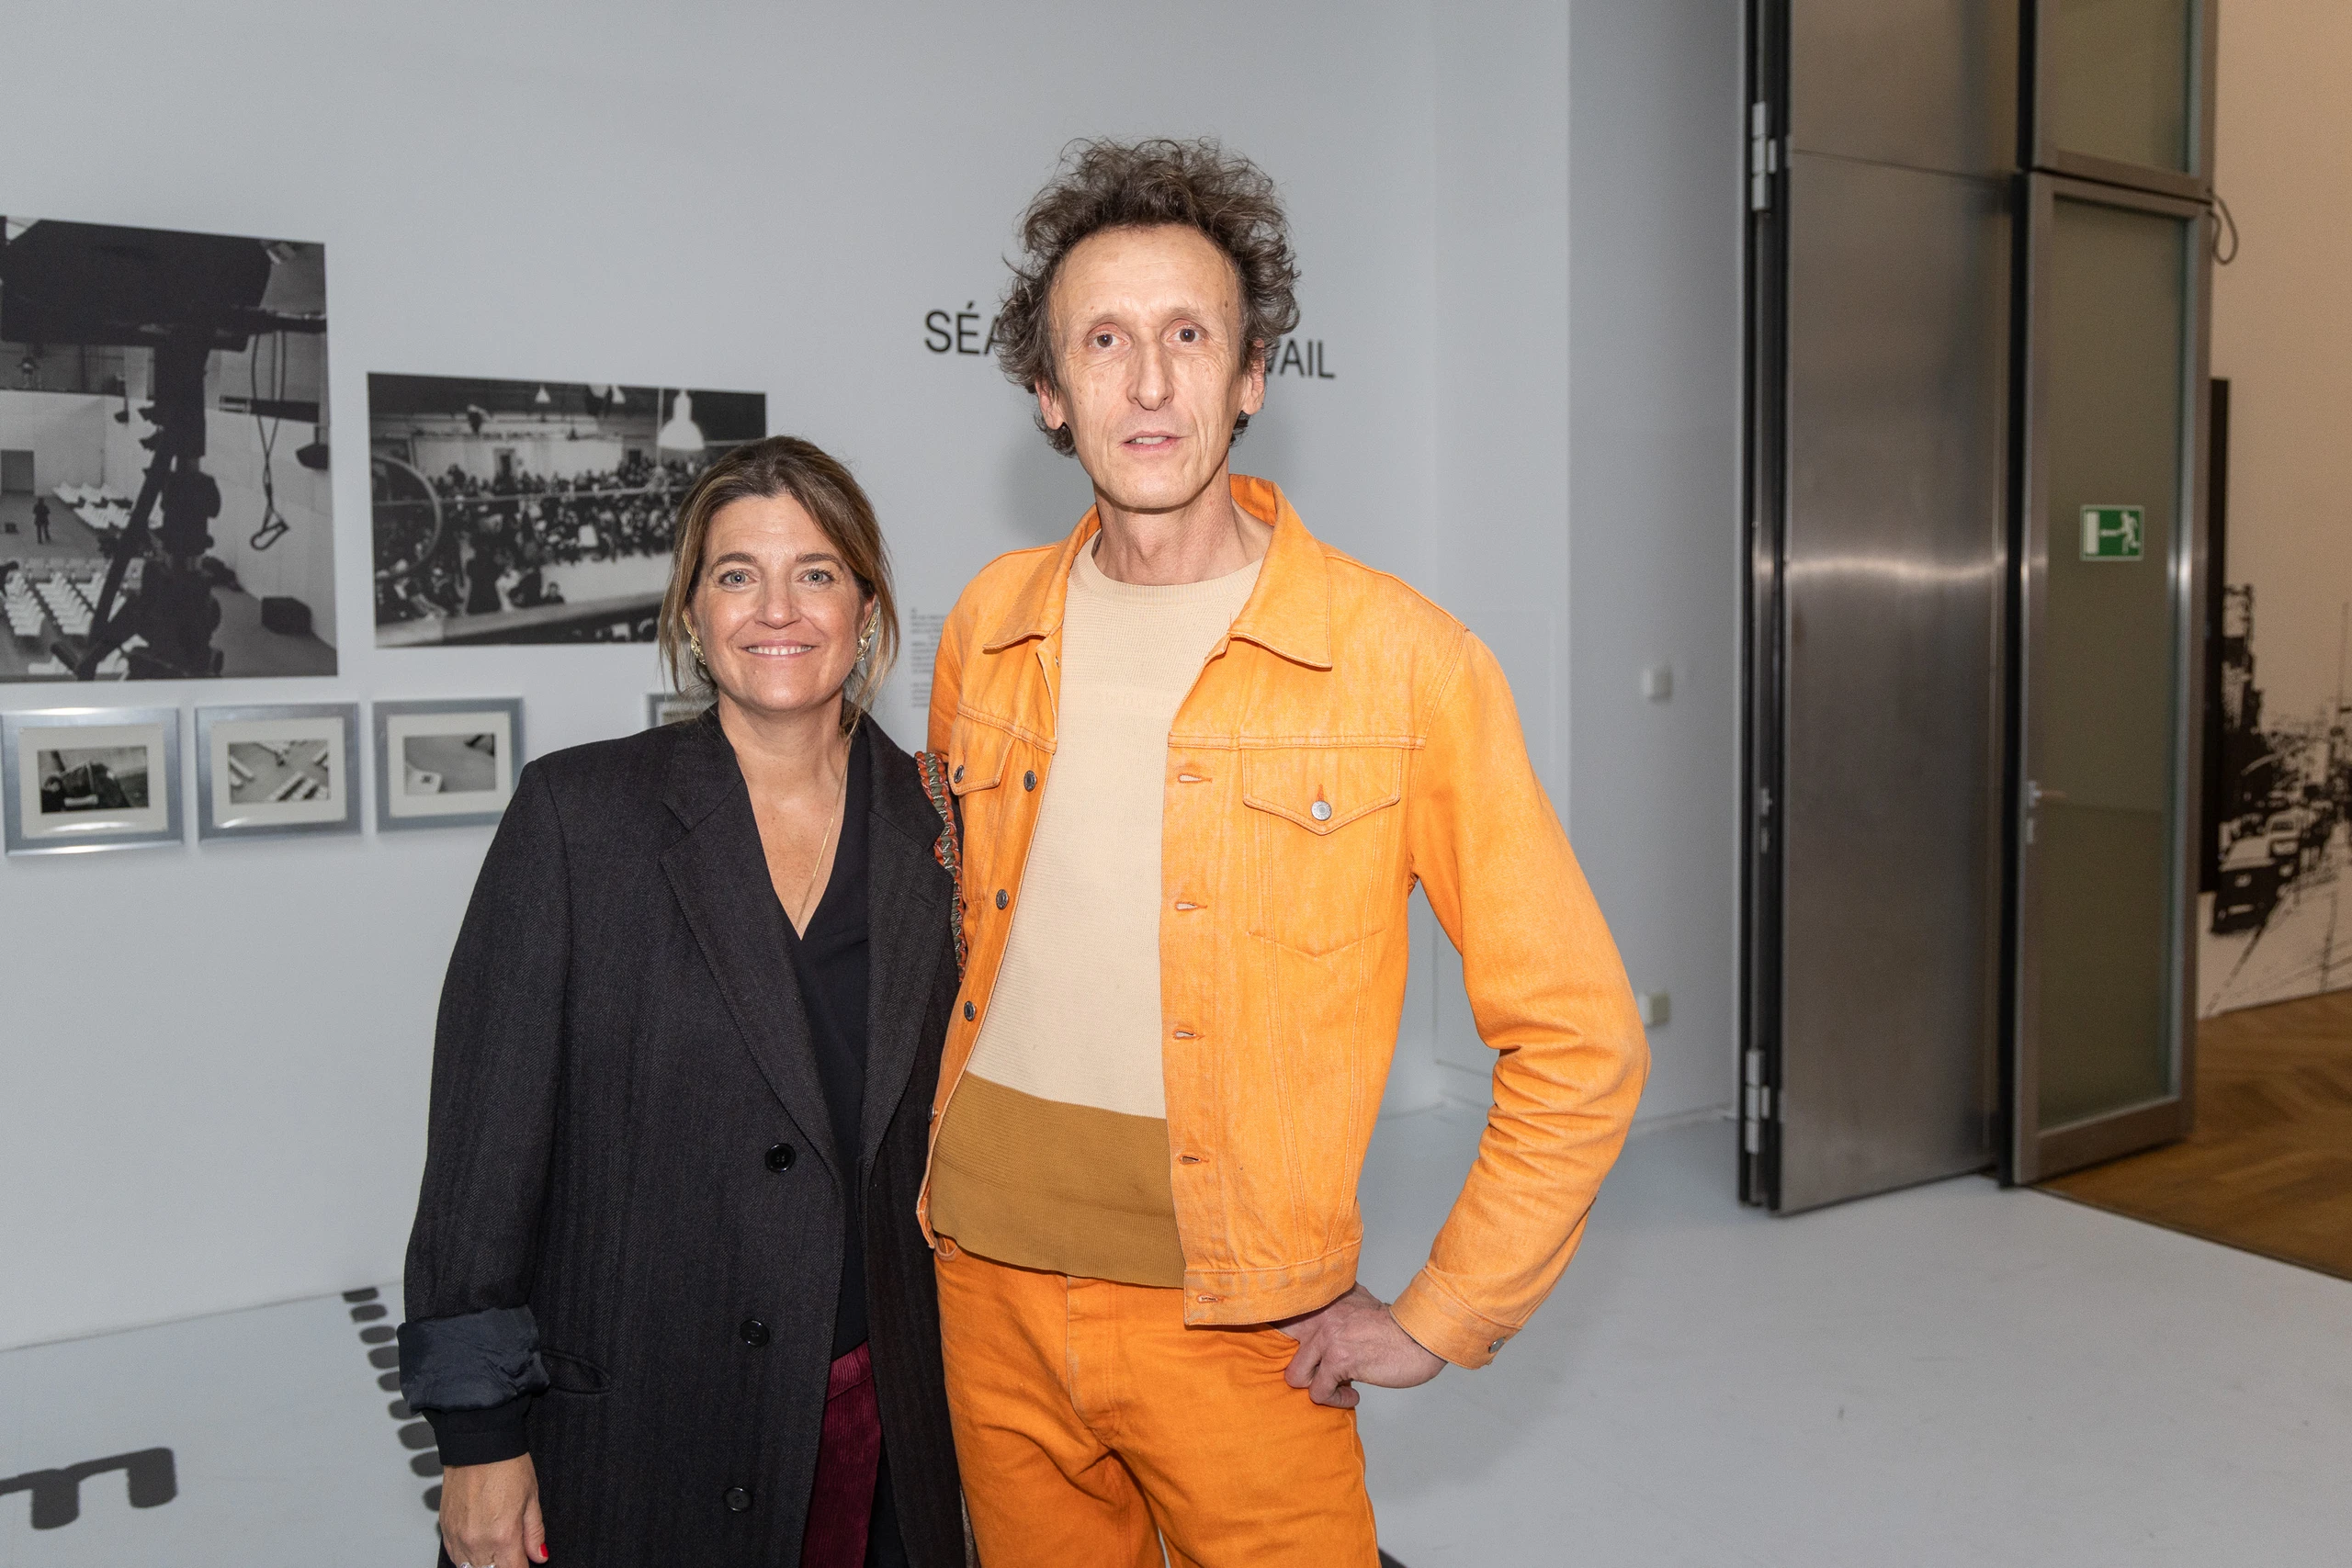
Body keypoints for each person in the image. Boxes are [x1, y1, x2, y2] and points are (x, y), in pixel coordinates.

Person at [922, 139, 1650, 1564]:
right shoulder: (989, 624)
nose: (1148, 382)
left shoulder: (1404, 663)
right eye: (1104, 341)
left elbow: (1581, 1036)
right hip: (983, 1281)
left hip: (1240, 1316)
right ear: (1049, 391)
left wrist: (1448, 1307)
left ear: (1253, 373)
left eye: (1189, 336)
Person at [399, 436, 969, 1568]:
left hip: (880, 1424)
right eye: (736, 574)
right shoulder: (579, 818)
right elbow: (481, 1159)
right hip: (640, 1423)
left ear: (865, 612)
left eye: (815, 573)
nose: (777, 609)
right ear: (693, 614)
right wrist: (478, 1436)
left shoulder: (941, 831)